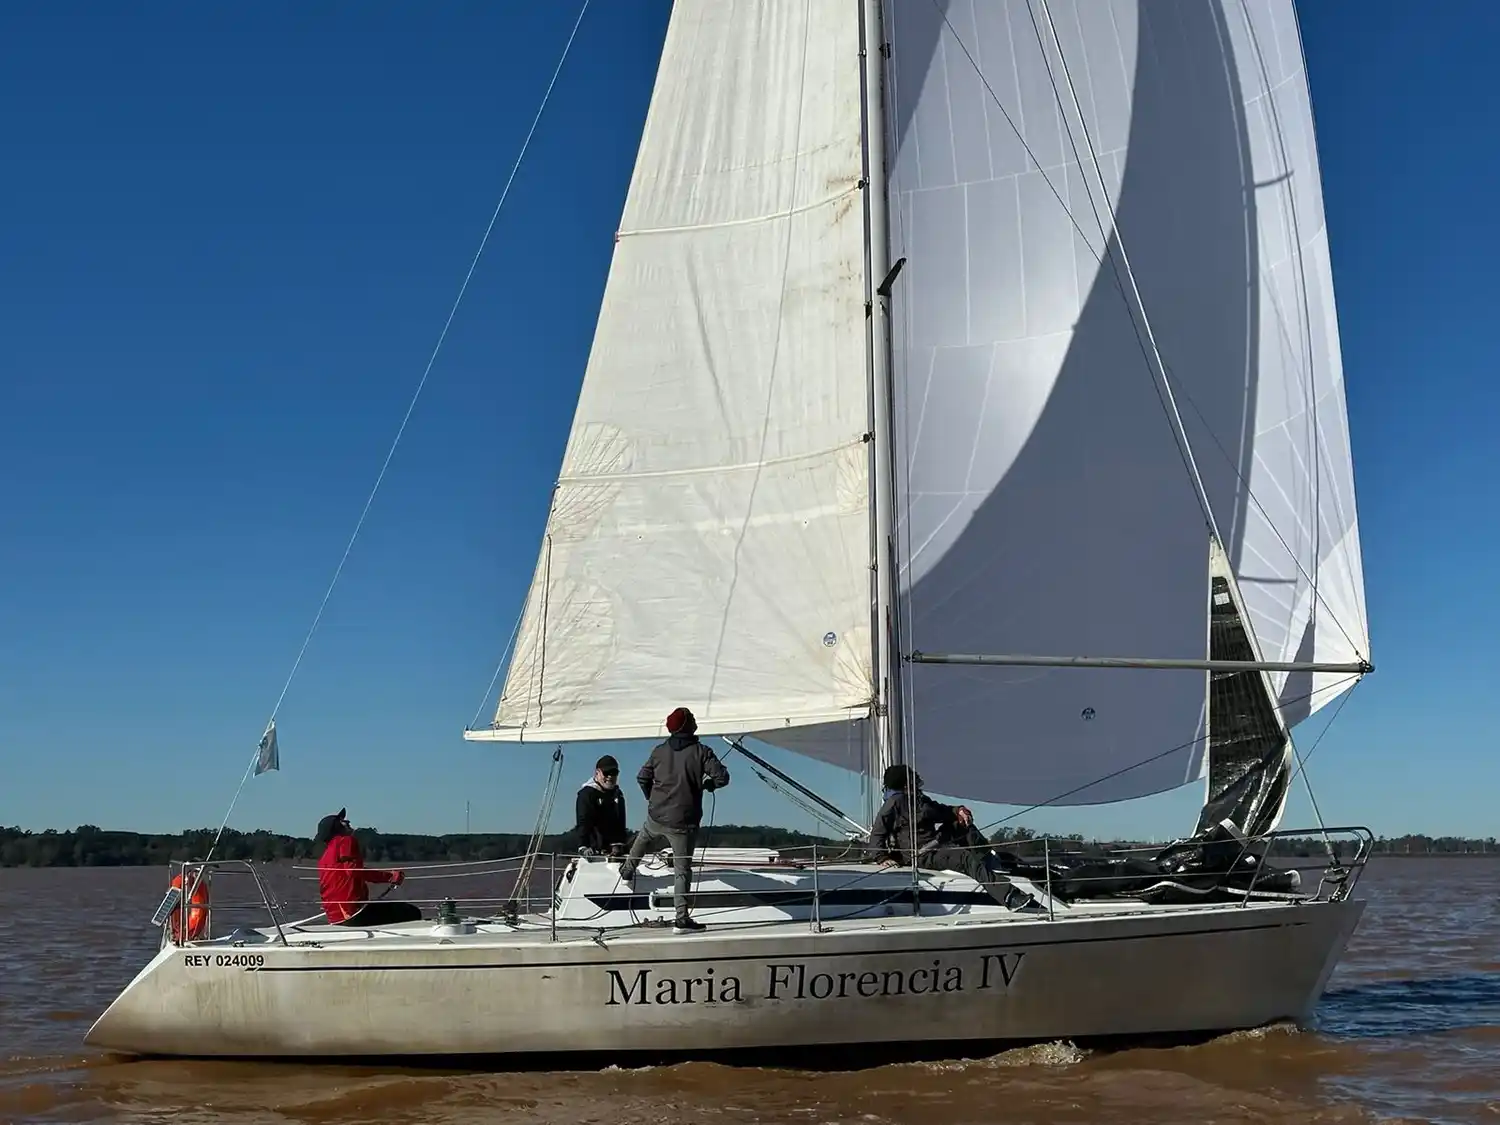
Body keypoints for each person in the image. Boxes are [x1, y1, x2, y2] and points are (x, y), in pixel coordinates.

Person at [617, 707, 730, 934]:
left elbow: (642, 777)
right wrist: (707, 785)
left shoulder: (659, 751)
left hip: (656, 814)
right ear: (688, 726)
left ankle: (627, 871)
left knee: (644, 837)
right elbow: (723, 777)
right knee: (682, 870)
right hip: (683, 822)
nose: (696, 721)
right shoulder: (702, 752)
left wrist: (651, 798)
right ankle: (681, 919)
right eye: (693, 719)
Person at [869, 766, 993, 885]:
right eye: (912, 778)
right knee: (961, 856)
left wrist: (958, 810)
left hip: (932, 846)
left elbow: (940, 811)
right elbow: (878, 832)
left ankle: (988, 861)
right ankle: (982, 866)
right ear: (906, 784)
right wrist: (882, 857)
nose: (917, 781)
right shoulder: (894, 803)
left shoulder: (920, 800)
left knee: (963, 823)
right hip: (918, 855)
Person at [315, 808, 421, 926]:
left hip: (335, 917)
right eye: (342, 821)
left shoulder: (324, 857)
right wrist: (390, 877)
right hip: (353, 913)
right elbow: (354, 871)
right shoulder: (346, 841)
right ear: (335, 828)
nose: (348, 821)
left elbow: (352, 871)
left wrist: (388, 876)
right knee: (411, 913)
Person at [575, 754, 629, 855]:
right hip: (594, 851)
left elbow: (621, 823)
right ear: (597, 773)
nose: (610, 776)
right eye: (606, 773)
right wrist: (583, 847)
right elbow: (583, 821)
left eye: (614, 773)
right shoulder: (587, 794)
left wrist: (620, 844)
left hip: (616, 852)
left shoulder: (618, 794)